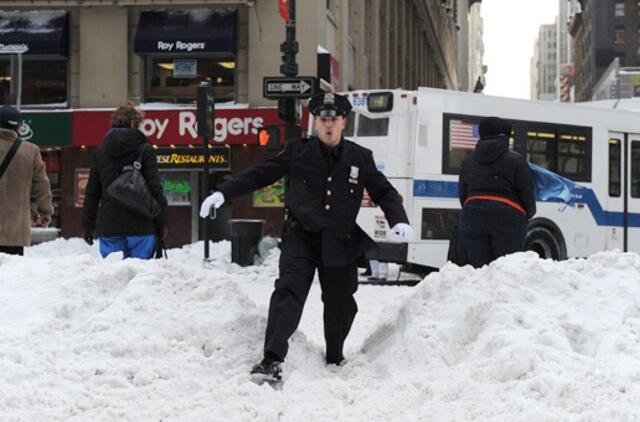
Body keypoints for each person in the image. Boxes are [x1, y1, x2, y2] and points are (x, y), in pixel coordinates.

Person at [199, 92, 413, 382]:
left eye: (333, 119)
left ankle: (335, 355)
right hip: (302, 235)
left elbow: (384, 192)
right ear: (315, 121)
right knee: (288, 291)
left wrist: (398, 219)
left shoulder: (360, 158)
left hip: (341, 238)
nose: (328, 125)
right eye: (323, 119)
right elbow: (261, 174)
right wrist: (223, 193)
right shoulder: (297, 151)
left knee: (340, 302)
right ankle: (272, 359)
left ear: (343, 122)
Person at [82, 101, 168, 259]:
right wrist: (162, 222)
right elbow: (155, 187)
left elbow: (92, 193)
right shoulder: (144, 149)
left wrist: (88, 225)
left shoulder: (100, 152)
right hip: (142, 225)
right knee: (142, 275)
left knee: (115, 276)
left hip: (110, 225)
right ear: (135, 123)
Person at [458, 116, 536, 268]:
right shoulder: (516, 160)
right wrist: (529, 213)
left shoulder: (468, 161)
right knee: (506, 270)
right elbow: (527, 192)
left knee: (480, 270)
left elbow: (463, 194)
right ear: (504, 135)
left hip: (471, 215)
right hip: (507, 215)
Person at [0, 106, 53, 255]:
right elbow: (42, 185)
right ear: (18, 126)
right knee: (13, 275)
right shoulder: (30, 151)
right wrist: (45, 212)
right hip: (15, 231)